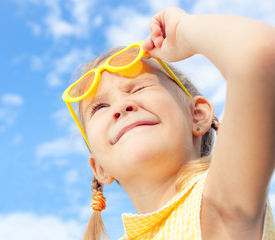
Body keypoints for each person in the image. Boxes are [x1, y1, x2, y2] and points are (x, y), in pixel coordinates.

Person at [62, 7, 275, 240]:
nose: (121, 108)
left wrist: (184, 31)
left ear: (198, 115)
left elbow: (261, 56)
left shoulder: (218, 202)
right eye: (100, 107)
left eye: (140, 88)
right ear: (100, 169)